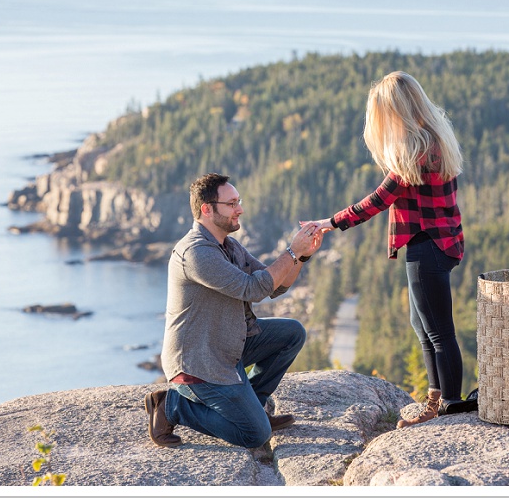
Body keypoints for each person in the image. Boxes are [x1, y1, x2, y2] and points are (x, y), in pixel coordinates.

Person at [302, 71, 475, 429]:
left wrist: (330, 223)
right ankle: (436, 399)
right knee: (422, 324)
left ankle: (450, 404)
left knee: (438, 330)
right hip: (442, 241)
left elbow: (377, 201)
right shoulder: (438, 136)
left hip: (426, 244)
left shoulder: (413, 148)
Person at [145, 172, 323, 449]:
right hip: (198, 363)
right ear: (207, 209)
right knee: (254, 435)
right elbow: (252, 289)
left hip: (227, 346)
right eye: (231, 203)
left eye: (238, 201)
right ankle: (171, 405)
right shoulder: (196, 252)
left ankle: (254, 405)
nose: (239, 209)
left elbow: (275, 285)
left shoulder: (228, 245)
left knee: (292, 333)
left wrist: (301, 255)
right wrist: (290, 251)